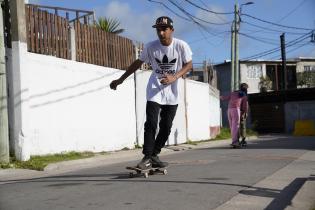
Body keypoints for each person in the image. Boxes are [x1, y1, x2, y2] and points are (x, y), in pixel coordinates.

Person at [110, 16, 193, 169]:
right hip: (154, 91)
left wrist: (174, 77)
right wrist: (121, 79)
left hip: (172, 94)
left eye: (164, 29)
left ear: (171, 30)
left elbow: (189, 65)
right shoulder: (150, 47)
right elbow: (137, 63)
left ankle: (155, 154)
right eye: (158, 30)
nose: (161, 33)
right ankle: (147, 156)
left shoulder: (181, 46)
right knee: (151, 123)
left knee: (166, 126)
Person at [220, 83, 249, 148]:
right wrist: (244, 113)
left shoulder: (233, 93)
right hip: (236, 110)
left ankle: (234, 141)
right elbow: (245, 106)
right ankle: (235, 142)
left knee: (232, 127)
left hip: (229, 110)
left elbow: (225, 98)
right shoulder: (243, 95)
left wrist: (220, 97)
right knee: (236, 127)